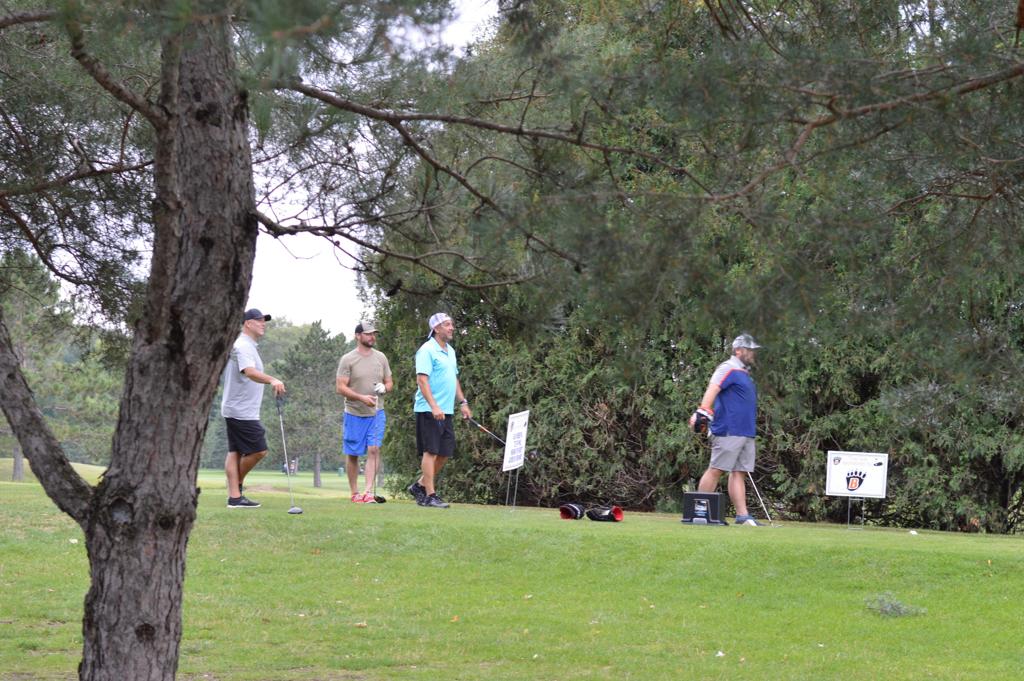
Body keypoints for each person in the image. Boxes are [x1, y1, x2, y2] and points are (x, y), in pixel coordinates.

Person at [689, 333, 762, 526]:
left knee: (739, 472)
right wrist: (702, 411)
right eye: (750, 350)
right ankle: (700, 512)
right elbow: (713, 388)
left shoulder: (745, 373)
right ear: (738, 351)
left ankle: (743, 516)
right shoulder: (727, 368)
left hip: (745, 431)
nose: (753, 353)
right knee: (717, 469)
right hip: (729, 429)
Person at [222, 308, 286, 509]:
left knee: (235, 452)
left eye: (264, 320)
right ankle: (235, 487)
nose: (263, 323)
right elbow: (249, 372)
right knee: (259, 450)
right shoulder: (242, 346)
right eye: (259, 320)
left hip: (240, 408)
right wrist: (273, 380)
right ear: (247, 323)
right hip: (240, 410)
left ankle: (235, 496)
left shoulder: (249, 345)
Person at [408, 312, 472, 508]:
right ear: (436, 329)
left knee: (444, 452)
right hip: (429, 409)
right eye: (447, 325)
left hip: (446, 411)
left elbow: (454, 379)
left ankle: (419, 486)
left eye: (452, 324)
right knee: (431, 451)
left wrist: (463, 402)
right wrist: (434, 406)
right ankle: (430, 495)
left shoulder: (450, 351)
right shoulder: (426, 350)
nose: (451, 327)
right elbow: (422, 379)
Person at [336, 321, 393, 503]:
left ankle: (368, 492)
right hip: (354, 412)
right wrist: (361, 397)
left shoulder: (381, 357)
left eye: (373, 334)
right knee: (353, 453)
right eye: (368, 334)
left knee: (374, 449)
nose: (372, 337)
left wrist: (385, 387)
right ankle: (355, 493)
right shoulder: (348, 359)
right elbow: (340, 387)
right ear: (358, 336)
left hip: (377, 412)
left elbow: (390, 382)